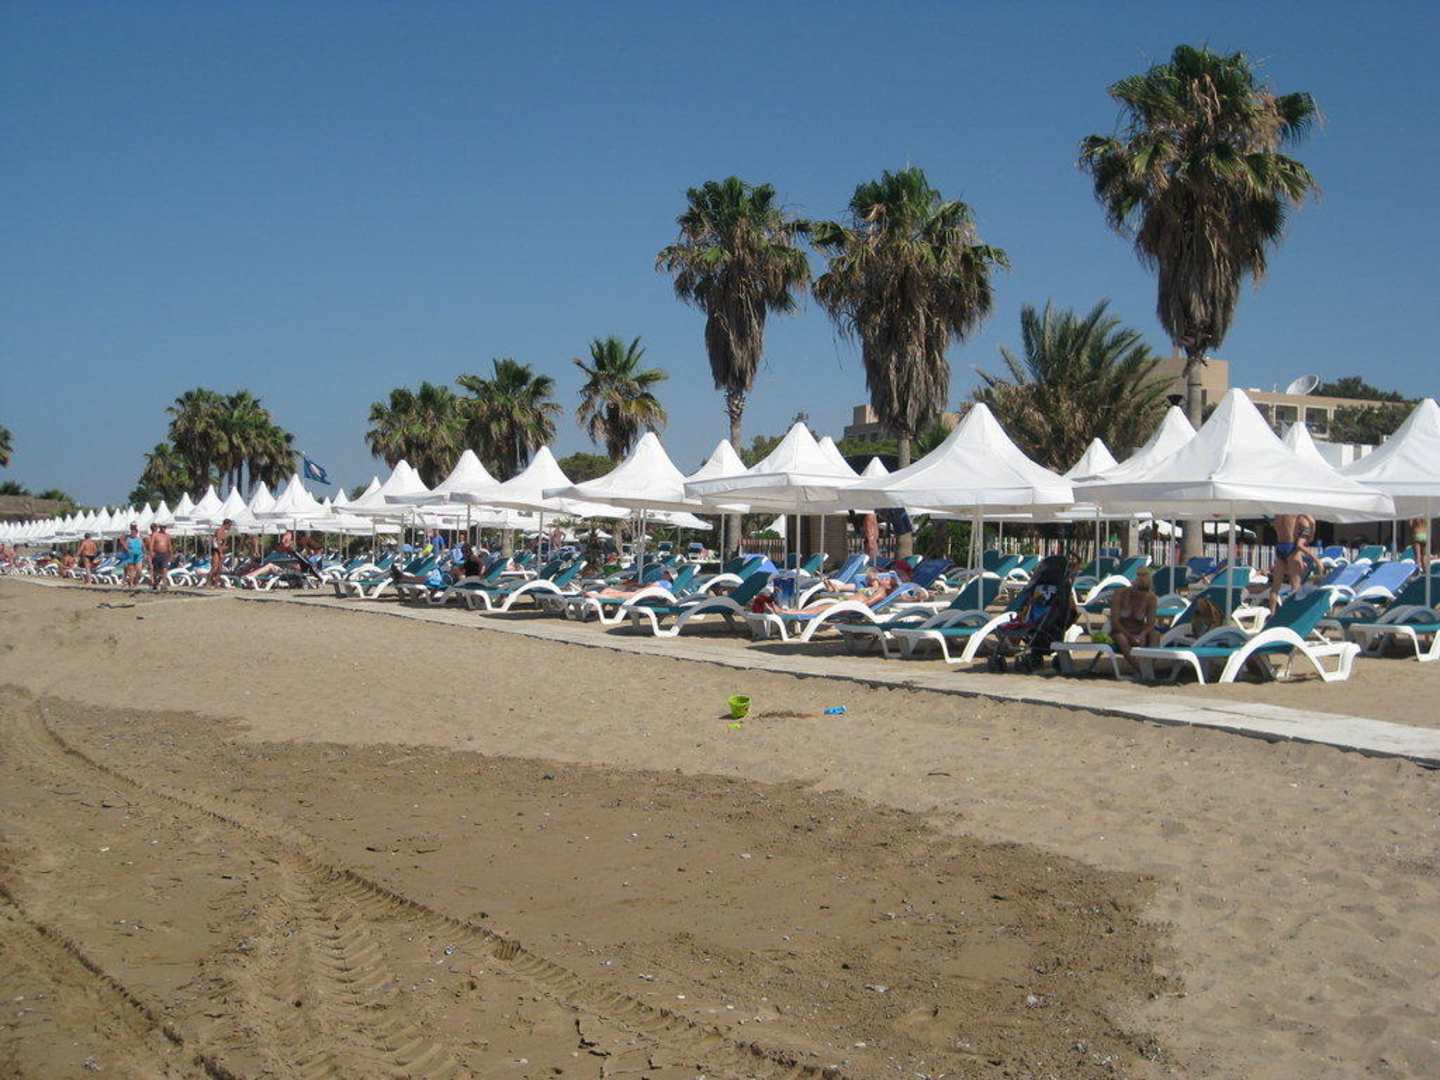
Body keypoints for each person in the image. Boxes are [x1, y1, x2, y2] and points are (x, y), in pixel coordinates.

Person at [1108, 567, 1161, 662]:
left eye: (1145, 592)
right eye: (1138, 590)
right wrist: (1130, 636)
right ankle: (1140, 667)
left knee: (1155, 634)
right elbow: (1114, 622)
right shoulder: (1119, 594)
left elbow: (1150, 624)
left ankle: (1148, 665)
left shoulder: (1151, 598)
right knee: (1121, 638)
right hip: (1121, 631)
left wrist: (1142, 634)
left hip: (1139, 631)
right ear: (1132, 585)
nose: (1141, 595)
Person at [1270, 513, 1316, 611]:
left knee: (1275, 588)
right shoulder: (1295, 513)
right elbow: (1311, 522)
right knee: (1296, 587)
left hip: (1280, 546)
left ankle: (1272, 614)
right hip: (1291, 547)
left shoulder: (1277, 514)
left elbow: (1275, 526)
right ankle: (1294, 613)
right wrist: (1310, 532)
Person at [209, 519, 233, 588]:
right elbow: (217, 543)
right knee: (215, 567)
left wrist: (225, 547)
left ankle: (216, 583)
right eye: (230, 525)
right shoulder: (219, 531)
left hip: (221, 551)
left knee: (219, 568)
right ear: (226, 524)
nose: (230, 527)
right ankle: (208, 582)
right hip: (216, 551)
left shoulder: (225, 532)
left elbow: (223, 543)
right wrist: (221, 553)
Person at [150, 523, 173, 592]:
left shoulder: (167, 536)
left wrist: (171, 555)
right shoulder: (155, 535)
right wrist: (151, 552)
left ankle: (164, 584)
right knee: (156, 571)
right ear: (160, 527)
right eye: (162, 527)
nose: (163, 528)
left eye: (164, 527)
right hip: (156, 554)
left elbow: (169, 545)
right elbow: (151, 544)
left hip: (165, 554)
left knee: (164, 569)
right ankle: (155, 583)